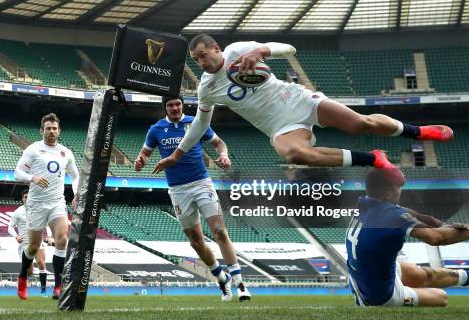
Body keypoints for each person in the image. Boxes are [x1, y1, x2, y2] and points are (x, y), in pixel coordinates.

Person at [153, 35, 453, 173]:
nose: (202, 62)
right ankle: (372, 159)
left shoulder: (238, 50)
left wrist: (261, 51)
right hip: (281, 126)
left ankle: (417, 132)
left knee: (360, 123)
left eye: (205, 54)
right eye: (197, 60)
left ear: (217, 48)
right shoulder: (206, 89)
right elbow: (201, 125)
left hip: (296, 100)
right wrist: (177, 156)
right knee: (294, 154)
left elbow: (290, 48)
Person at [135, 96, 251, 302]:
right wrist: (140, 161)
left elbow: (219, 143)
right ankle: (221, 278)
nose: (174, 108)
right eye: (170, 105)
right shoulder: (156, 129)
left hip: (201, 184)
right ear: (165, 108)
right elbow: (145, 154)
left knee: (219, 231)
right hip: (178, 190)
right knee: (196, 242)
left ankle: (240, 283)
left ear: (183, 105)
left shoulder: (195, 123)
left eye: (177, 104)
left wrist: (224, 155)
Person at [346, 168, 469, 307]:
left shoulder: (364, 203)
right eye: (397, 187)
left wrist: (446, 225)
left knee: (424, 275)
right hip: (379, 296)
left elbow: (420, 217)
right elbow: (436, 238)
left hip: (365, 277)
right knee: (441, 297)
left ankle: (467, 277)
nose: (400, 190)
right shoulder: (392, 215)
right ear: (388, 194)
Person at [14, 113, 79, 300]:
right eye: (48, 128)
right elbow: (18, 172)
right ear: (41, 130)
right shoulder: (33, 149)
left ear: (59, 131)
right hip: (36, 204)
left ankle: (58, 286)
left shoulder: (66, 153)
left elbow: (75, 176)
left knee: (62, 238)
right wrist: (32, 177)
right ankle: (22, 276)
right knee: (33, 247)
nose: (51, 131)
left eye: (54, 128)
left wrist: (76, 194)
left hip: (57, 202)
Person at [8, 189, 55, 296]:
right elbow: (10, 227)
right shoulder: (18, 212)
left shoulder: (39, 210)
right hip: (25, 244)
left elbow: (47, 224)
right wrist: (16, 236)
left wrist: (49, 236)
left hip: (37, 240)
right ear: (22, 198)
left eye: (29, 197)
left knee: (41, 263)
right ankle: (23, 284)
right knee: (30, 271)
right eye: (25, 197)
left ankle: (43, 291)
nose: (27, 199)